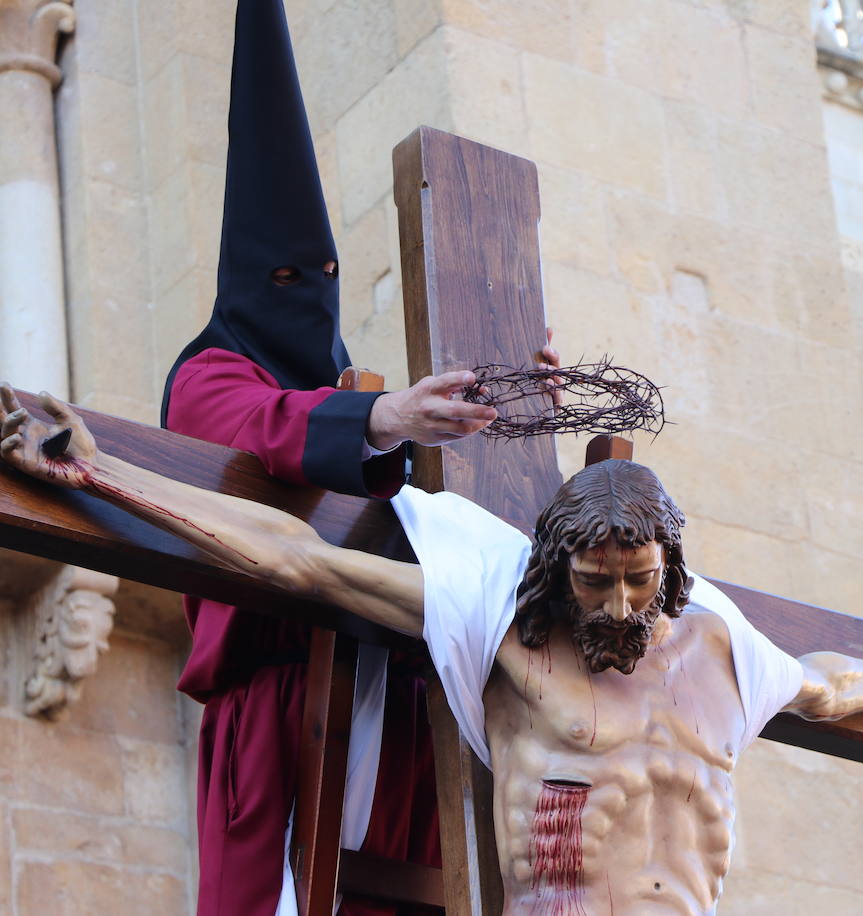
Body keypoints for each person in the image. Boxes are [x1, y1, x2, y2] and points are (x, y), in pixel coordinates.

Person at [0, 388, 863, 915]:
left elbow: (825, 686)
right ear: (558, 570)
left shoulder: (726, 644)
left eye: (639, 582)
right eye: (594, 583)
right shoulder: (505, 622)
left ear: (671, 569)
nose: (617, 604)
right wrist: (106, 475)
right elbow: (298, 562)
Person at [159, 2, 558, 912]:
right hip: (280, 705)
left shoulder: (355, 386)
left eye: (319, 285)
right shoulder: (210, 373)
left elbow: (452, 515)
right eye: (284, 282)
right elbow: (262, 426)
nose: (302, 302)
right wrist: (381, 417)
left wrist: (516, 413)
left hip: (410, 702)